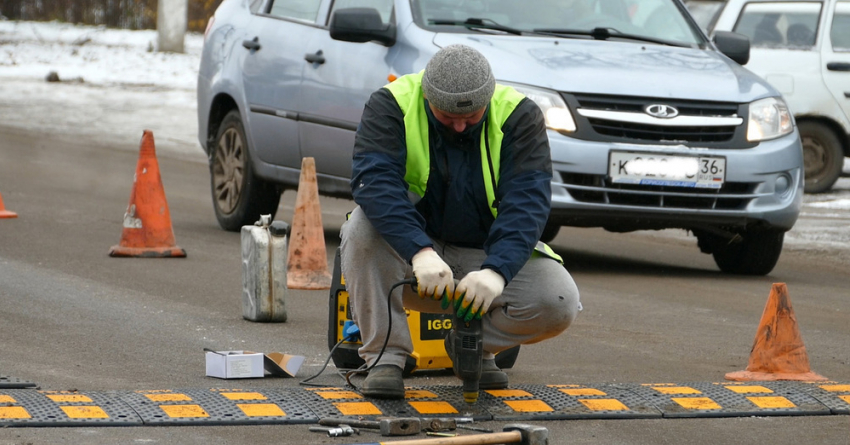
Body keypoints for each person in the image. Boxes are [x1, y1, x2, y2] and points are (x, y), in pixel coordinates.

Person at [340, 44, 581, 400]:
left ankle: (471, 345)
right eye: (446, 115)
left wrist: (496, 271)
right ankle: (385, 358)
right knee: (360, 226)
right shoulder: (391, 104)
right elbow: (374, 183)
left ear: (487, 97)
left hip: (481, 257)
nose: (459, 124)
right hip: (413, 263)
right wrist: (419, 251)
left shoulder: (518, 115)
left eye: (471, 117)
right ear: (426, 95)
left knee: (558, 302)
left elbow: (527, 203)